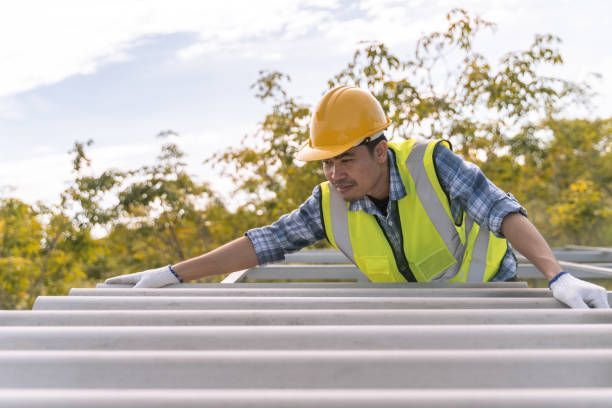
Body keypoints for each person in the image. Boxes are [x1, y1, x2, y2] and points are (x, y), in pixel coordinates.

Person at [106, 85, 609, 309]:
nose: (333, 173)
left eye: (344, 159)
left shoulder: (433, 165)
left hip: (487, 302)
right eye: (326, 162)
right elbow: (264, 243)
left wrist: (557, 277)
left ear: (380, 150)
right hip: (409, 313)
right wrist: (173, 273)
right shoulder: (329, 201)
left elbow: (501, 211)